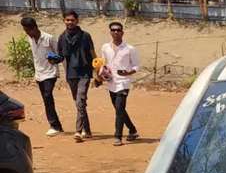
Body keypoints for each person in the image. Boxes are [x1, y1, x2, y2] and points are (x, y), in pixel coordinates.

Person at [20, 15, 63, 135]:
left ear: (34, 28)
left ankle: (54, 126)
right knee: (46, 99)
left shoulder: (49, 38)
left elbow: (60, 55)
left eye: (28, 30)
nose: (27, 33)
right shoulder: (30, 39)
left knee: (48, 95)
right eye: (25, 31)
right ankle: (56, 126)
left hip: (50, 73)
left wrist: (54, 59)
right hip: (39, 73)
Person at [57, 10, 95, 142]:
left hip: (84, 73)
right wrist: (53, 59)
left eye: (72, 20)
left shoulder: (85, 36)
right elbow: (60, 56)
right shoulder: (62, 37)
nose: (70, 22)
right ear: (64, 21)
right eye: (67, 20)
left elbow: (92, 53)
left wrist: (98, 71)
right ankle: (88, 130)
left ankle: (78, 131)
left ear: (77, 21)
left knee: (80, 101)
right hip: (71, 74)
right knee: (80, 103)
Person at [99, 22, 139, 146]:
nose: (116, 32)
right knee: (119, 109)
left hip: (124, 82)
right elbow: (103, 63)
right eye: (113, 30)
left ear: (122, 32)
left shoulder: (130, 49)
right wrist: (101, 75)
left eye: (118, 30)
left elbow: (136, 65)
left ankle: (118, 136)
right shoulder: (105, 47)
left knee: (119, 109)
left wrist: (128, 72)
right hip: (111, 82)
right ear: (110, 32)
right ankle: (132, 130)